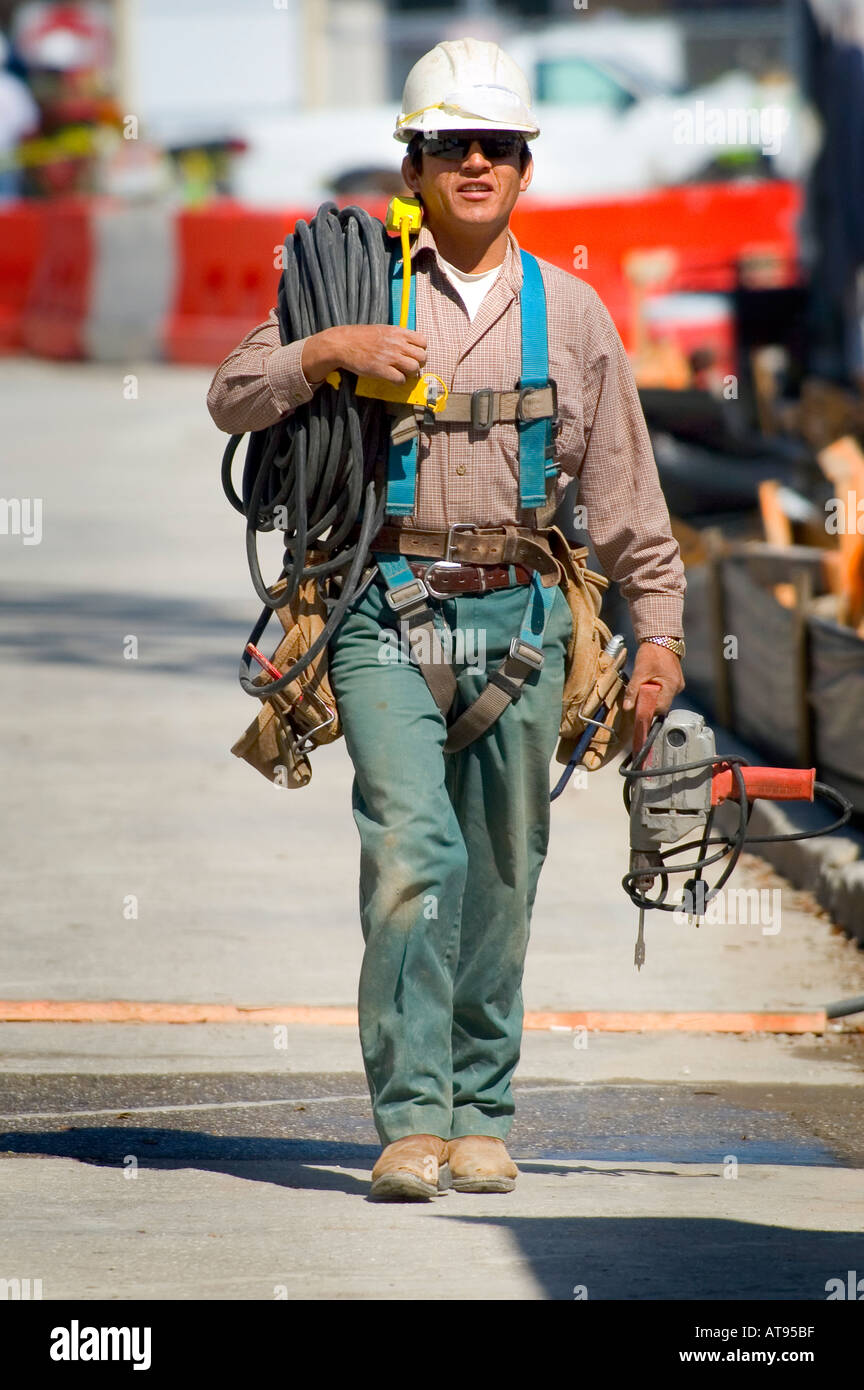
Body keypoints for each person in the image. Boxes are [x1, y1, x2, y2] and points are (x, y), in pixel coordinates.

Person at [207, 37, 686, 1201]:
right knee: (412, 855)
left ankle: (485, 1109)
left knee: (505, 870)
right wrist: (324, 353)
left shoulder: (573, 316)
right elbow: (232, 394)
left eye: (497, 147)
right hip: (380, 607)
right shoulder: (350, 288)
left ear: (525, 168)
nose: (474, 162)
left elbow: (625, 491)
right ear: (412, 166)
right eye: (447, 145)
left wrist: (660, 633)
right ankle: (412, 1118)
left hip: (521, 618)